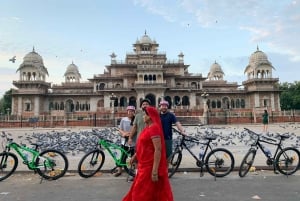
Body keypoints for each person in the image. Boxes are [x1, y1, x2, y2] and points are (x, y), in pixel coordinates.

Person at [122, 106, 174, 201]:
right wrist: (135, 156)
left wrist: (154, 172)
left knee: (141, 193)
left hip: (149, 167)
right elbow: (143, 146)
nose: (143, 116)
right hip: (142, 165)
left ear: (150, 116)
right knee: (146, 192)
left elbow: (158, 150)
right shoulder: (147, 128)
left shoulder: (154, 129)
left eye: (145, 114)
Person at [113, 105, 136, 177]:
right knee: (123, 156)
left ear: (134, 112)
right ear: (127, 112)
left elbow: (137, 129)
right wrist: (123, 133)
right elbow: (120, 129)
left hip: (133, 141)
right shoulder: (124, 119)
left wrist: (130, 134)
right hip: (124, 141)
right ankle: (119, 170)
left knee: (134, 157)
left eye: (132, 111)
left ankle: (133, 171)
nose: (130, 112)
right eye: (129, 111)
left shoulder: (136, 120)